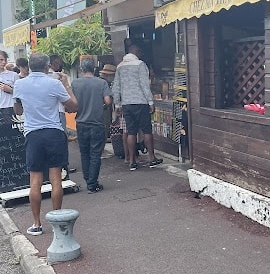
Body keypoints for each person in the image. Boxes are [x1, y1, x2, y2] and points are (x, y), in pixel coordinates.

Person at [12, 53, 77, 236]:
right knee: (56, 178)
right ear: (48, 66)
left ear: (30, 66)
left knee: (35, 181)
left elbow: (18, 110)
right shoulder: (54, 83)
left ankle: (36, 223)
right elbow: (73, 106)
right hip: (54, 132)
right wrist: (66, 85)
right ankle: (56, 221)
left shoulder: (20, 84)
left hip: (33, 133)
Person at [111, 44, 163, 171]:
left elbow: (116, 87)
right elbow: (145, 84)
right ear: (136, 51)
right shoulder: (140, 64)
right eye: (140, 52)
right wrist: (150, 101)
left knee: (131, 131)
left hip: (126, 104)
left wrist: (117, 104)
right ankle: (152, 158)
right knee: (146, 130)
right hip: (141, 102)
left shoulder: (120, 66)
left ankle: (132, 161)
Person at [72, 58, 112, 193]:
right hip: (97, 123)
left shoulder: (75, 83)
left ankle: (88, 178)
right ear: (94, 69)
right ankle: (92, 183)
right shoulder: (102, 83)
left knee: (84, 153)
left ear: (82, 69)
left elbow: (71, 101)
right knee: (95, 153)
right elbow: (107, 101)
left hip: (81, 122)